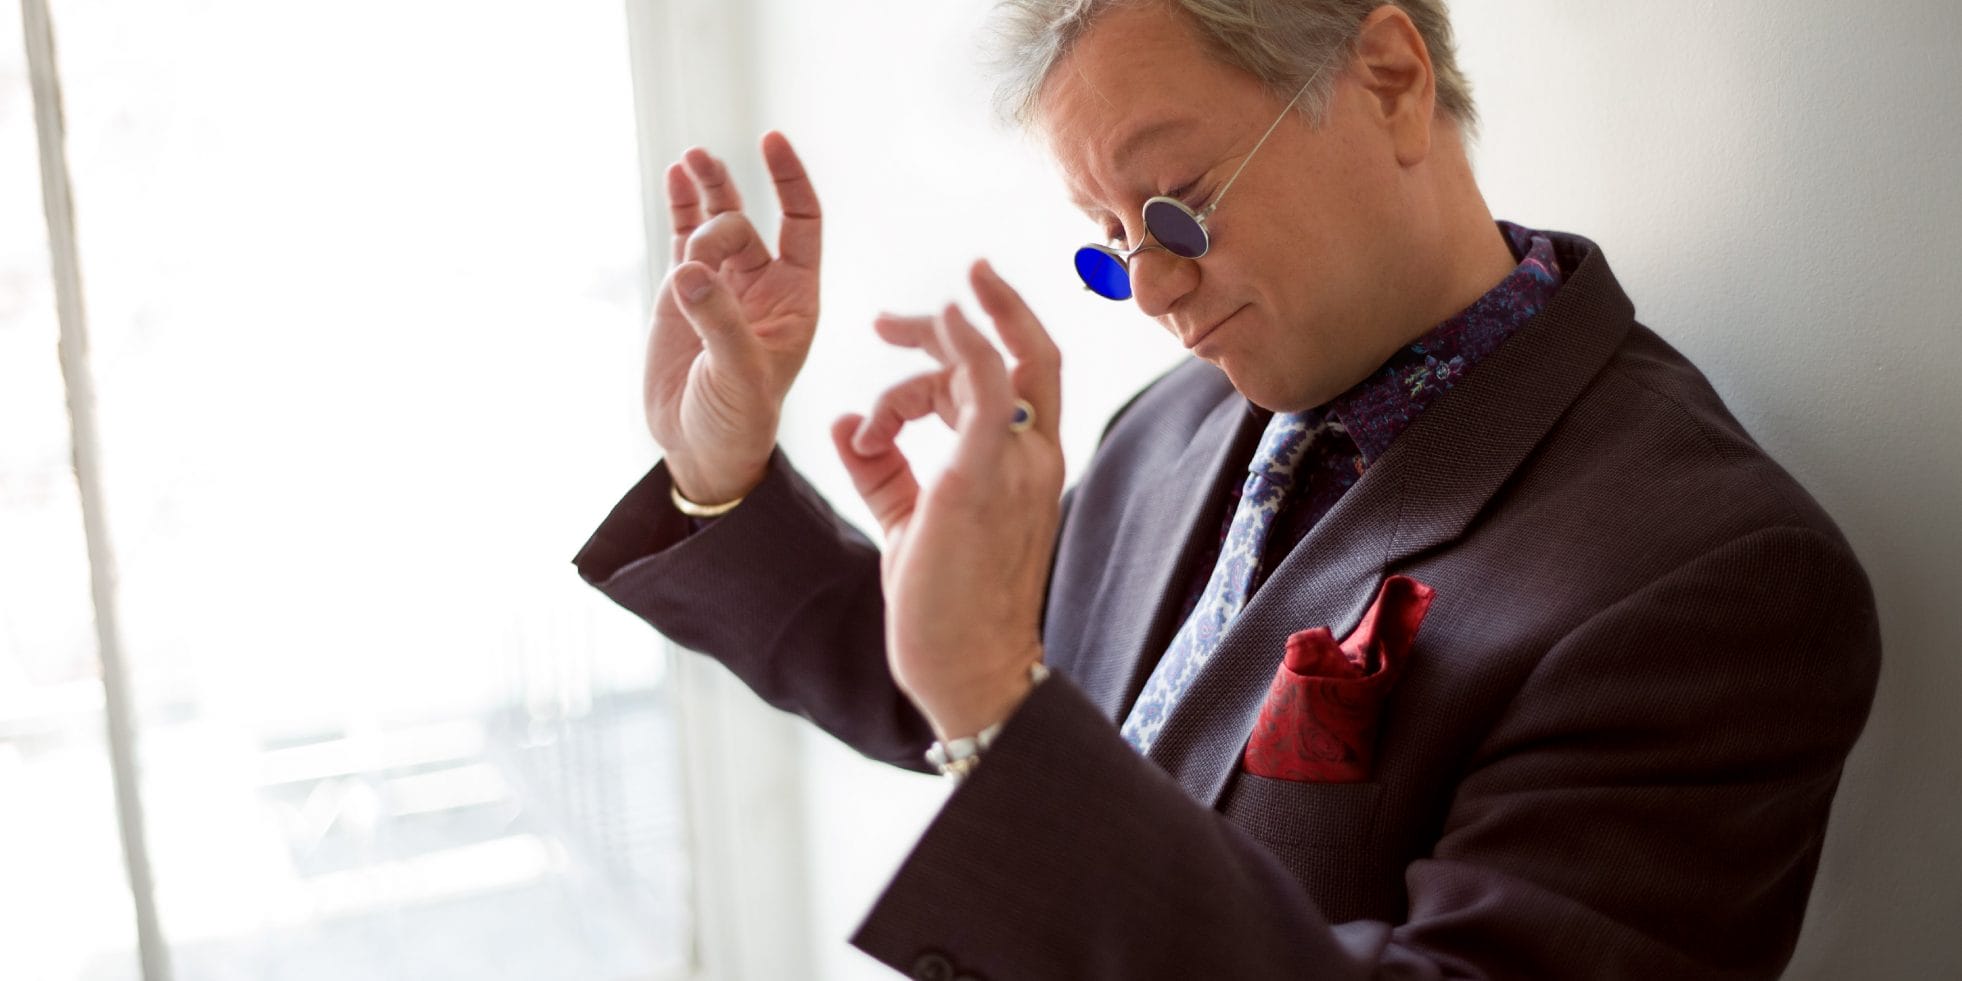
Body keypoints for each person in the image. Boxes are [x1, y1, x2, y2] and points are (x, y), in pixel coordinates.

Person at [573, 1, 1881, 977]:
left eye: (1179, 208)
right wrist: (720, 472)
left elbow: (1005, 722)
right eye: (1108, 239)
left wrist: (993, 706)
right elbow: (978, 691)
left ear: (1388, 78)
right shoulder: (1177, 422)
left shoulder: (1709, 575)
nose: (1149, 289)